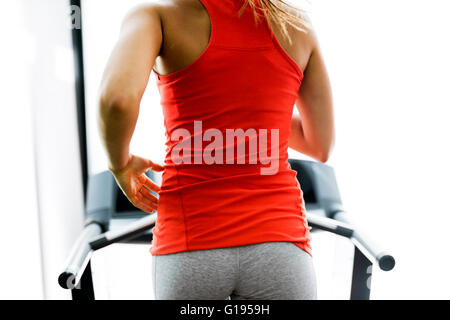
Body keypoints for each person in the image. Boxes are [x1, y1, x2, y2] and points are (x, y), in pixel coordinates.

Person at [98, 0, 334, 300]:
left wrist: (120, 164)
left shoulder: (157, 14)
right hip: (280, 242)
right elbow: (320, 144)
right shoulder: (296, 23)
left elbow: (116, 100)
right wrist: (258, 110)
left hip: (190, 245)